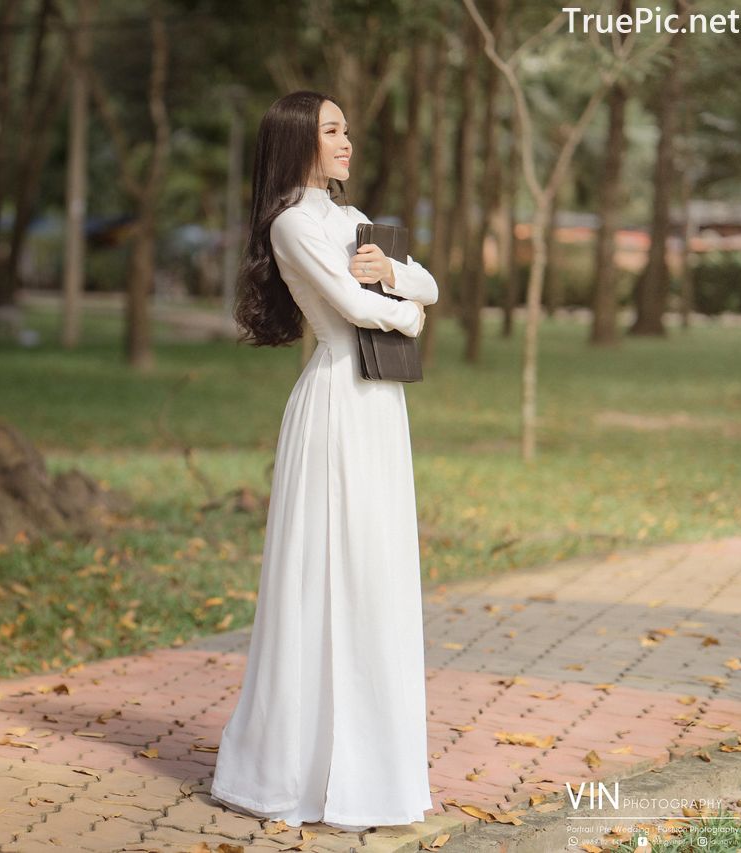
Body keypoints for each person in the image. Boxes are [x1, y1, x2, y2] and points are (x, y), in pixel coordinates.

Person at [209, 90, 438, 833]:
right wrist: (405, 308)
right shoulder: (293, 225)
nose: (347, 139)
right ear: (299, 141)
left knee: (376, 576)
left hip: (379, 407)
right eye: (331, 129)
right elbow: (351, 306)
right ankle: (295, 769)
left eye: (346, 128)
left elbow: (427, 281)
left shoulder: (352, 220)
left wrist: (398, 279)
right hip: (337, 401)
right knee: (325, 577)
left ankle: (371, 767)